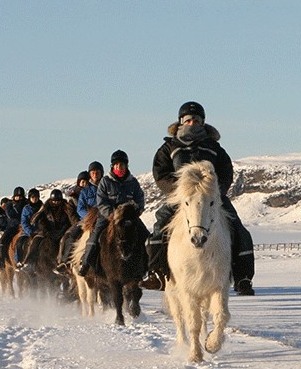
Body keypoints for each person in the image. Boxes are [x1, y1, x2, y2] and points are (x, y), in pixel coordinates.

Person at [143, 101, 255, 295]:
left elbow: (226, 171)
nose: (192, 123)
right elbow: (160, 174)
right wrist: (180, 191)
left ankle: (242, 277)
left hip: (211, 199)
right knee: (160, 227)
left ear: (202, 122)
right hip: (181, 199)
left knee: (238, 228)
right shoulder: (168, 147)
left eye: (196, 120)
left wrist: (214, 191)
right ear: (180, 122)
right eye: (188, 120)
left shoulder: (214, 148)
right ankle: (158, 273)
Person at [77, 150, 146, 276]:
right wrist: (111, 215)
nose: (119, 167)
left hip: (129, 217)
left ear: (126, 166)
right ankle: (85, 263)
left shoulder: (133, 182)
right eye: (117, 165)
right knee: (95, 235)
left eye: (122, 165)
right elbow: (101, 202)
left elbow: (139, 198)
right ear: (112, 166)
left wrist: (137, 211)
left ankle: (149, 268)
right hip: (108, 217)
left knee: (145, 235)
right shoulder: (105, 182)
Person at [58, 162, 105, 272]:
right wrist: (90, 217)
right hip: (87, 220)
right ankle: (65, 262)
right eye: (93, 172)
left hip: (105, 217)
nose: (95, 174)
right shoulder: (85, 191)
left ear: (101, 173)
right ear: (90, 174)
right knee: (71, 235)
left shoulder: (106, 186)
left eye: (97, 172)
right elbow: (80, 208)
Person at [22, 188, 72, 268]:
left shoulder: (66, 208)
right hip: (47, 231)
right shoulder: (46, 208)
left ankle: (63, 263)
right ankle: (29, 262)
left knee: (65, 241)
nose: (56, 203)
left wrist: (62, 231)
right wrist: (46, 231)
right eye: (54, 201)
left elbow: (68, 221)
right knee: (36, 240)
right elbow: (41, 220)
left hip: (61, 231)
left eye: (58, 201)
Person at [0, 187, 28, 268]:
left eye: (20, 197)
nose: (19, 198)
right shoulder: (10, 204)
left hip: (24, 226)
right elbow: (11, 215)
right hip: (13, 226)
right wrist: (19, 222)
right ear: (14, 196)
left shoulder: (27, 204)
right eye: (17, 196)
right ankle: (1, 260)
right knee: (2, 241)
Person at [15, 188, 42, 265]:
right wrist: (30, 232)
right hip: (28, 232)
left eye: (36, 197)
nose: (34, 199)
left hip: (41, 231)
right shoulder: (26, 208)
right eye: (33, 197)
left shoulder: (42, 208)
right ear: (29, 198)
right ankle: (19, 261)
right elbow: (24, 222)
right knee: (20, 243)